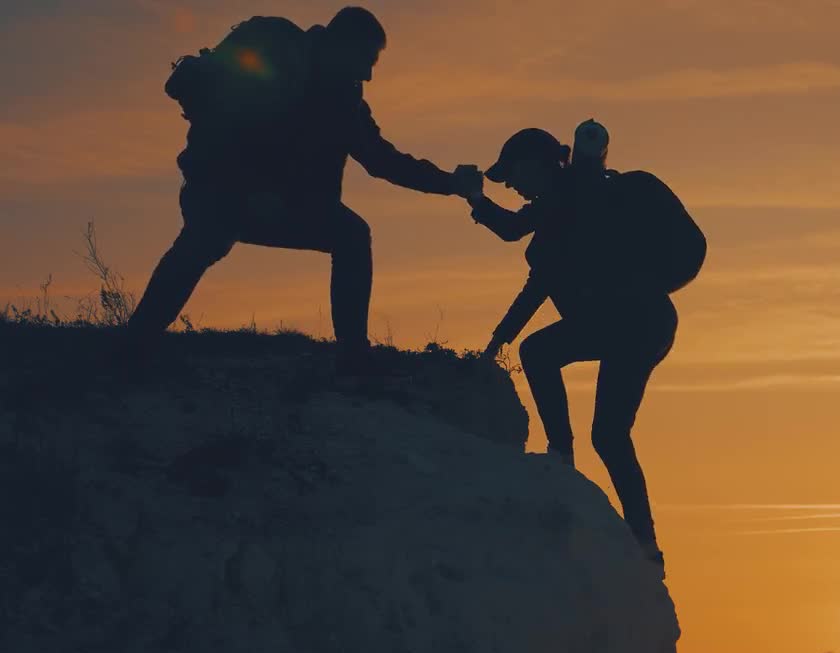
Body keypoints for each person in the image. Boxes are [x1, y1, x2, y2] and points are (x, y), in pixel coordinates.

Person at [126, 7, 482, 375]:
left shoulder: (344, 98)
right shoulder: (280, 62)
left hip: (277, 202)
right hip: (221, 191)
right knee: (205, 241)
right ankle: (135, 343)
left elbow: (381, 160)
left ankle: (353, 354)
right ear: (345, 46)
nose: (369, 74)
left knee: (350, 236)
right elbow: (231, 127)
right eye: (367, 60)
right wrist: (251, 190)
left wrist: (450, 183)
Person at [466, 125, 679, 569]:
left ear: (538, 165)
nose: (514, 186)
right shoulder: (561, 213)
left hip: (631, 320)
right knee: (608, 432)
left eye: (515, 176)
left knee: (546, 360)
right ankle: (645, 543)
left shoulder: (567, 196)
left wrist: (476, 200)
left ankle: (562, 455)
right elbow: (537, 286)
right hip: (639, 321)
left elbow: (510, 229)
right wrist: (498, 339)